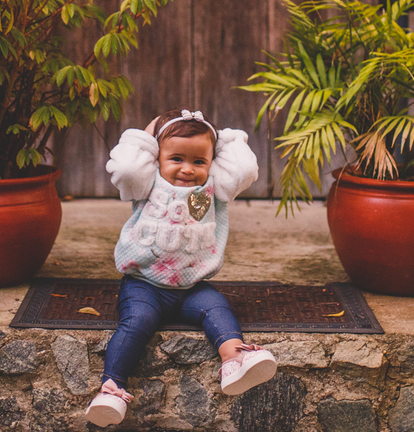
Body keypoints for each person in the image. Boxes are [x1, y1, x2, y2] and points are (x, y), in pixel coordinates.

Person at [84, 109, 278, 426]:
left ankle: (234, 358)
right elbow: (127, 166)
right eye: (176, 158)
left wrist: (221, 138)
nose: (187, 169)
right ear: (156, 158)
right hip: (143, 284)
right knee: (136, 322)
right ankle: (112, 387)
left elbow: (244, 170)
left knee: (217, 307)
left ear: (212, 163)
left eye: (199, 161)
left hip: (192, 287)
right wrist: (148, 134)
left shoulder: (216, 187)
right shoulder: (146, 182)